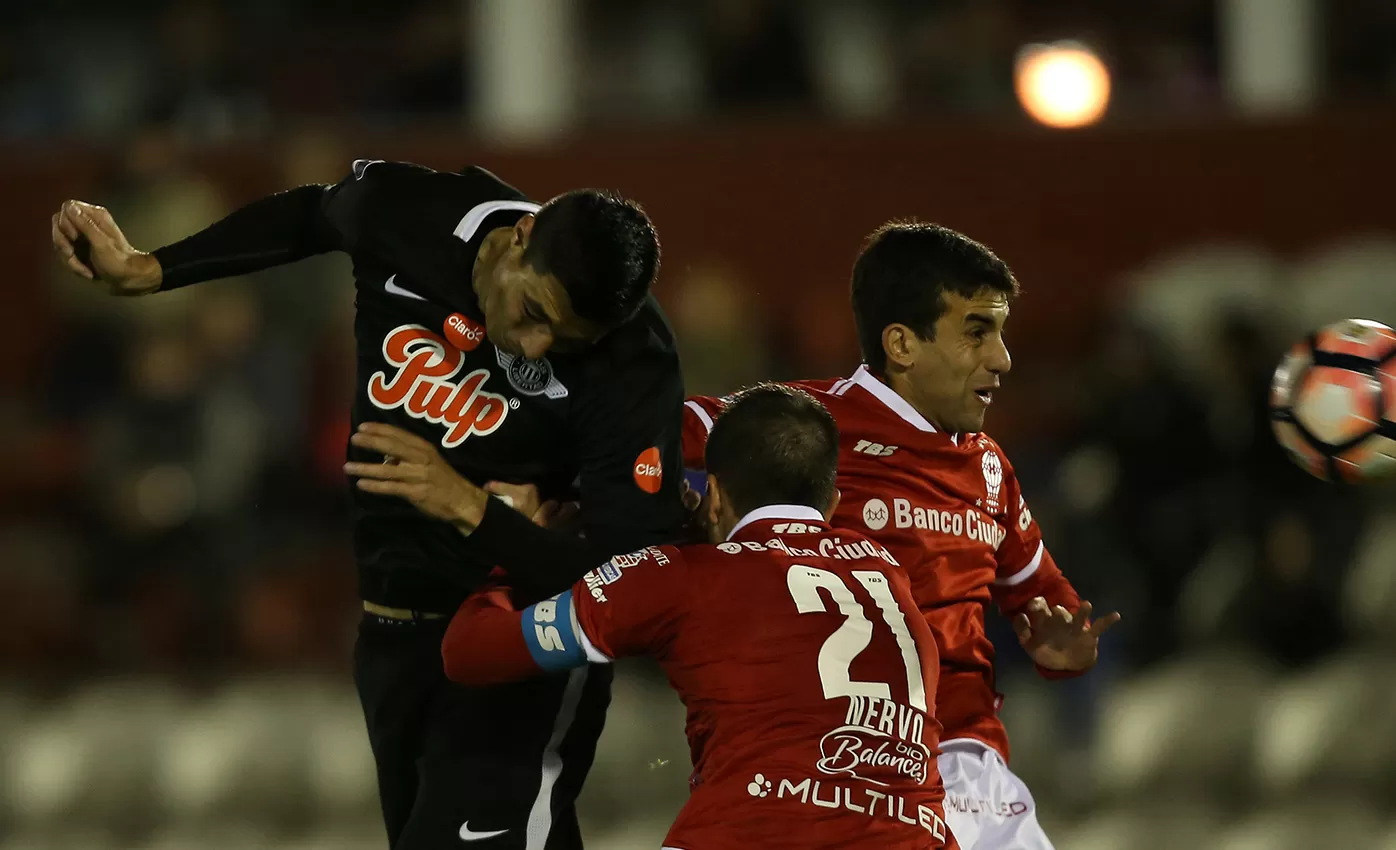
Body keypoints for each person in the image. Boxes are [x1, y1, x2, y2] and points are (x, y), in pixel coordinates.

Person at [50, 160, 686, 849]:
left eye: (566, 343)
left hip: (519, 647)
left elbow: (633, 578)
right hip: (392, 632)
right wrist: (153, 270)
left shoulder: (634, 356)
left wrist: (475, 511)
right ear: (520, 237)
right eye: (533, 314)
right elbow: (311, 216)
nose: (534, 347)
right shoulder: (412, 212)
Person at [682, 222, 1119, 850]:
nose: (1002, 358)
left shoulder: (989, 466)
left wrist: (1063, 646)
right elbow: (661, 434)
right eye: (977, 332)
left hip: (968, 770)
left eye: (1000, 332)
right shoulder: (808, 427)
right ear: (902, 344)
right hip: (845, 766)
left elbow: (1042, 598)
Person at [443, 384, 954, 850]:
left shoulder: (682, 576)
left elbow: (471, 651)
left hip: (750, 832)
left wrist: (515, 551)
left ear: (712, 496)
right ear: (834, 501)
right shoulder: (888, 571)